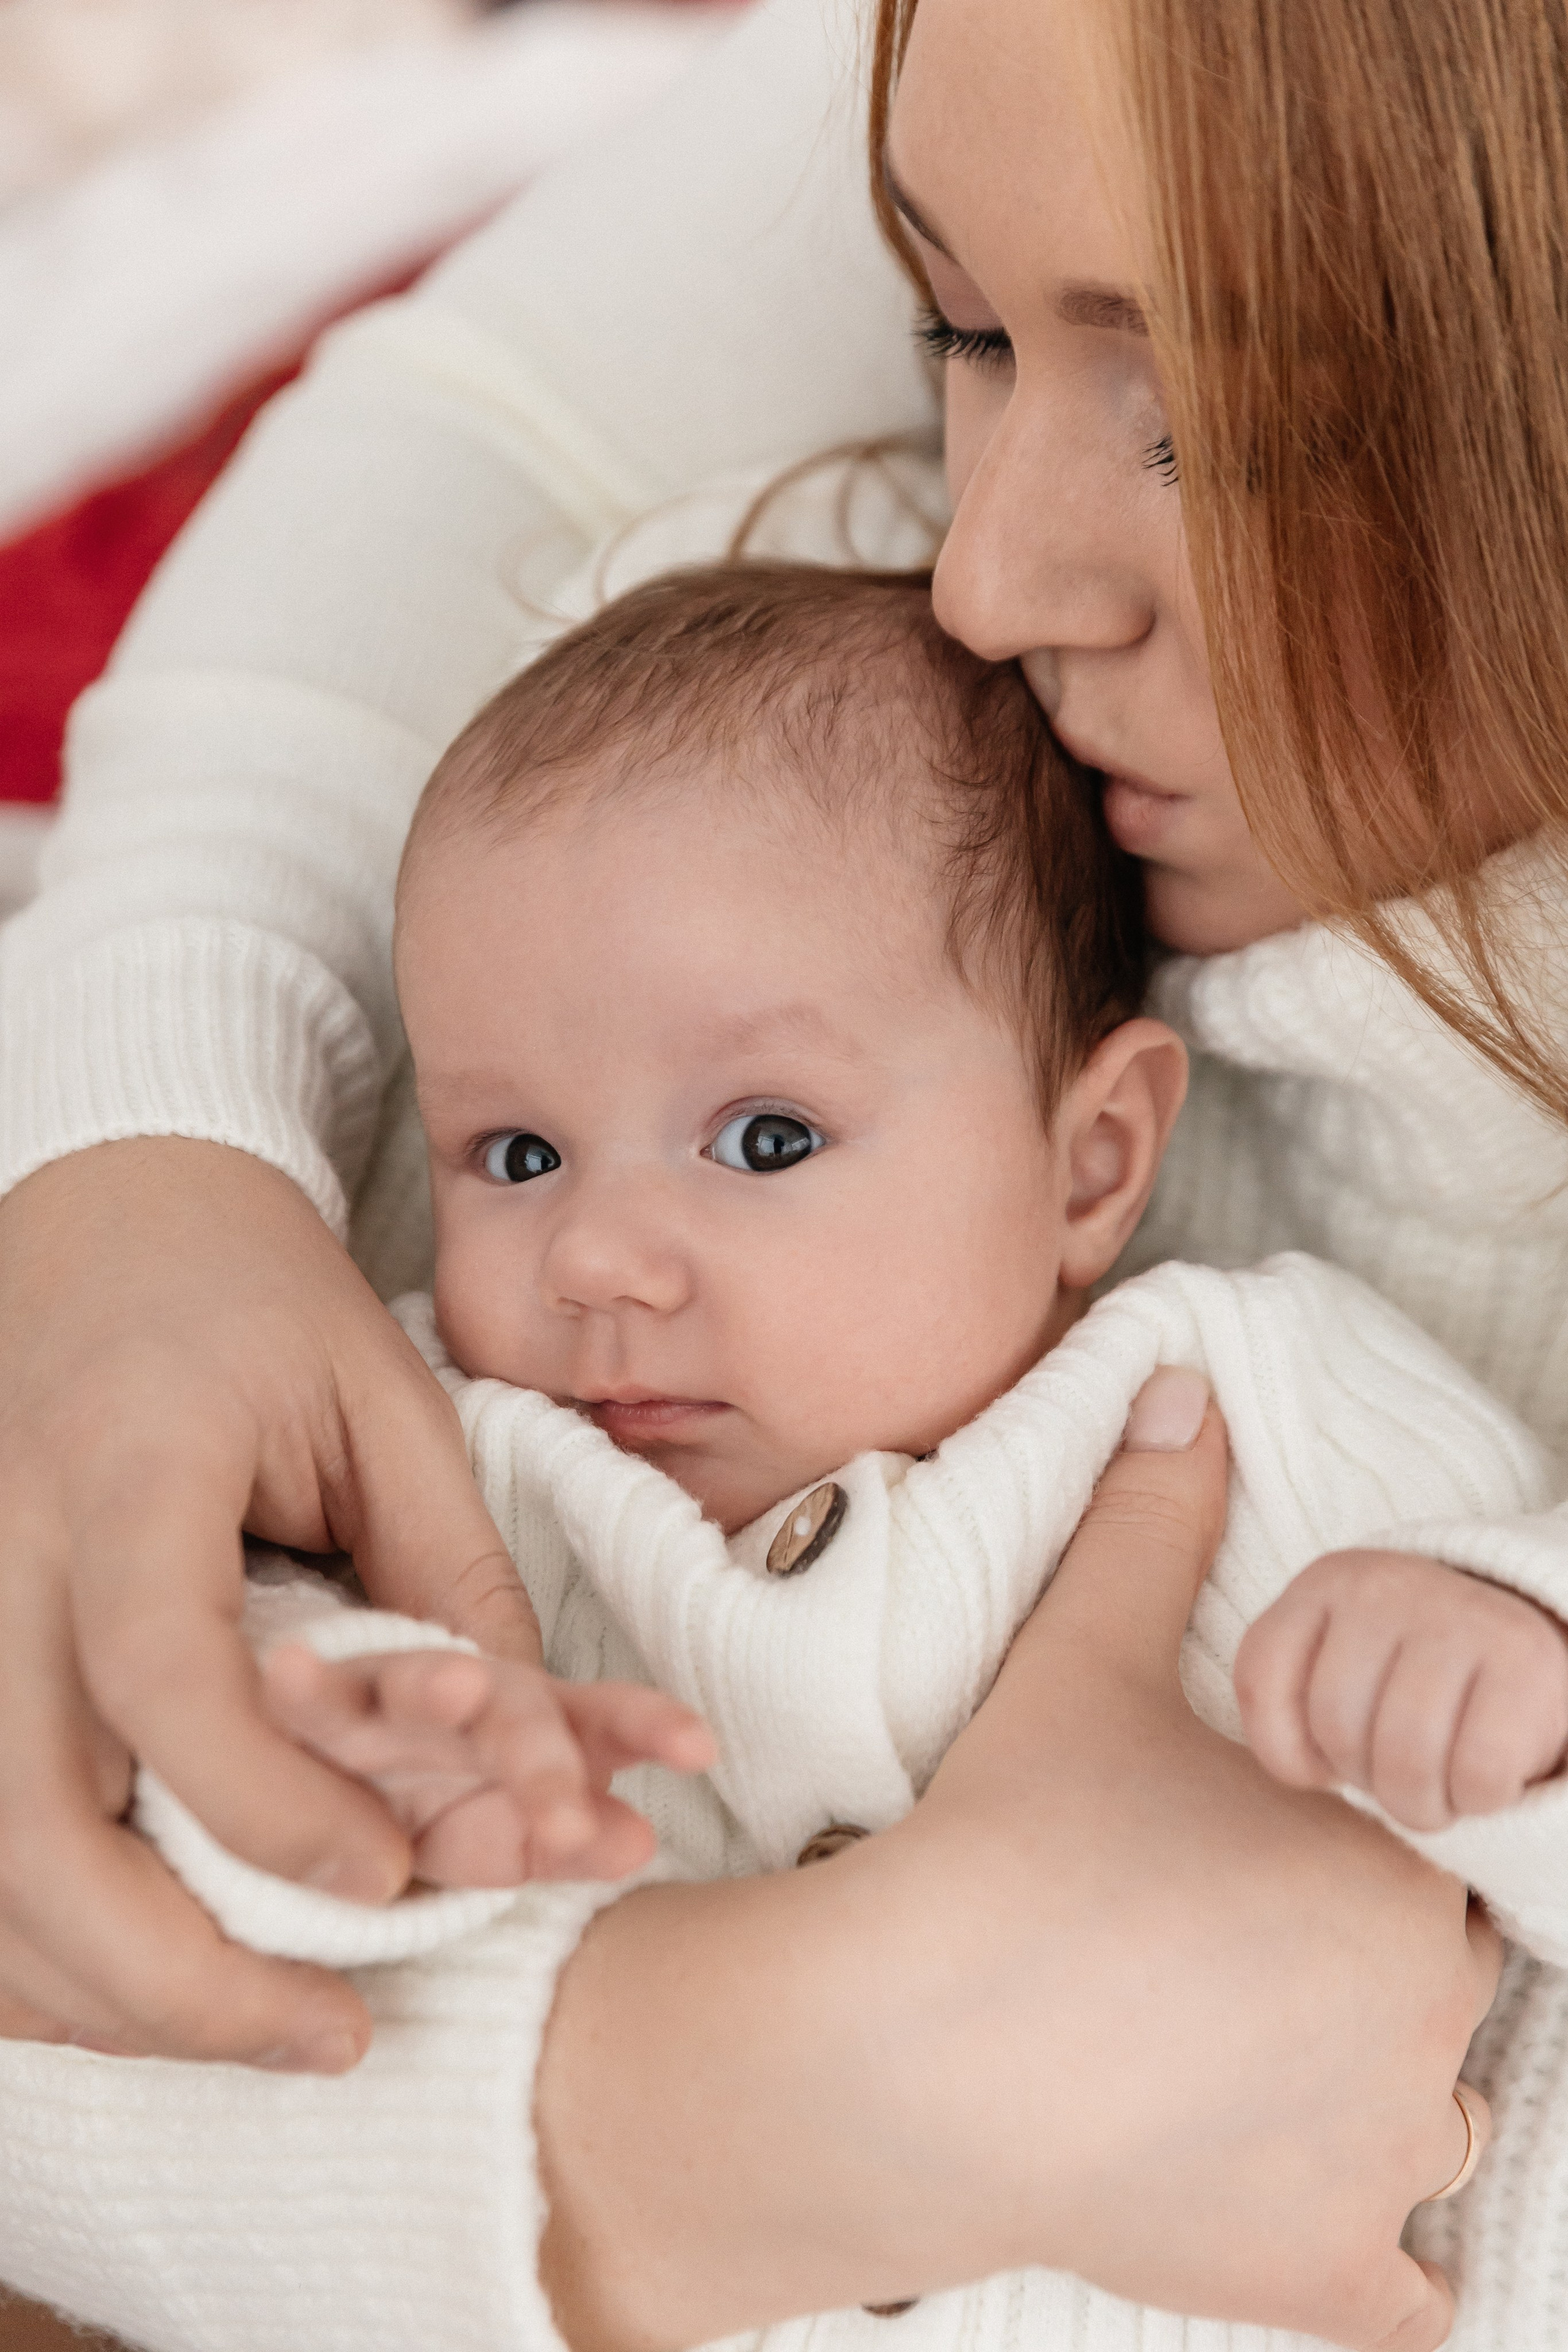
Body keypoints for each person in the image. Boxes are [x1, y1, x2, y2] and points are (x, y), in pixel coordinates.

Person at [0, 0, 1554, 2342]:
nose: (995, 582)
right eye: (951, 325)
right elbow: (460, 440)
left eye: (1227, 428)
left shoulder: (1259, 1384)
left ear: (1098, 1149)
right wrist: (141, 1161)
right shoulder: (756, 823)